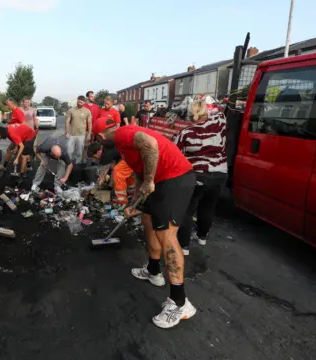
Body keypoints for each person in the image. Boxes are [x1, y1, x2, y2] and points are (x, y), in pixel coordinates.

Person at [93, 117, 196, 329]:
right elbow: (140, 173)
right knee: (147, 219)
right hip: (160, 180)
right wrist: (134, 203)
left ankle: (180, 302)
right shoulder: (123, 146)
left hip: (175, 178)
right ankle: (153, 270)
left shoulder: (122, 134)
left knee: (167, 235)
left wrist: (150, 180)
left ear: (100, 137)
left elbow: (150, 144)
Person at [174, 99, 227, 254]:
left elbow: (178, 156)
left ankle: (184, 246)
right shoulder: (220, 125)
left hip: (198, 176)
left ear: (189, 116)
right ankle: (202, 237)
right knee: (208, 206)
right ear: (207, 112)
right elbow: (219, 109)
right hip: (219, 174)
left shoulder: (186, 134)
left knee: (187, 210)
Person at [65, 95, 92, 164]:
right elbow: (67, 122)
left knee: (79, 152)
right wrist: (67, 132)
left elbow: (89, 123)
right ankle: (68, 165)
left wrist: (89, 134)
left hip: (81, 135)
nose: (79, 104)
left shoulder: (87, 111)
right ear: (77, 101)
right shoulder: (71, 110)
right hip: (71, 134)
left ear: (84, 103)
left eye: (81, 102)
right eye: (78, 102)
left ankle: (77, 165)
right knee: (69, 151)